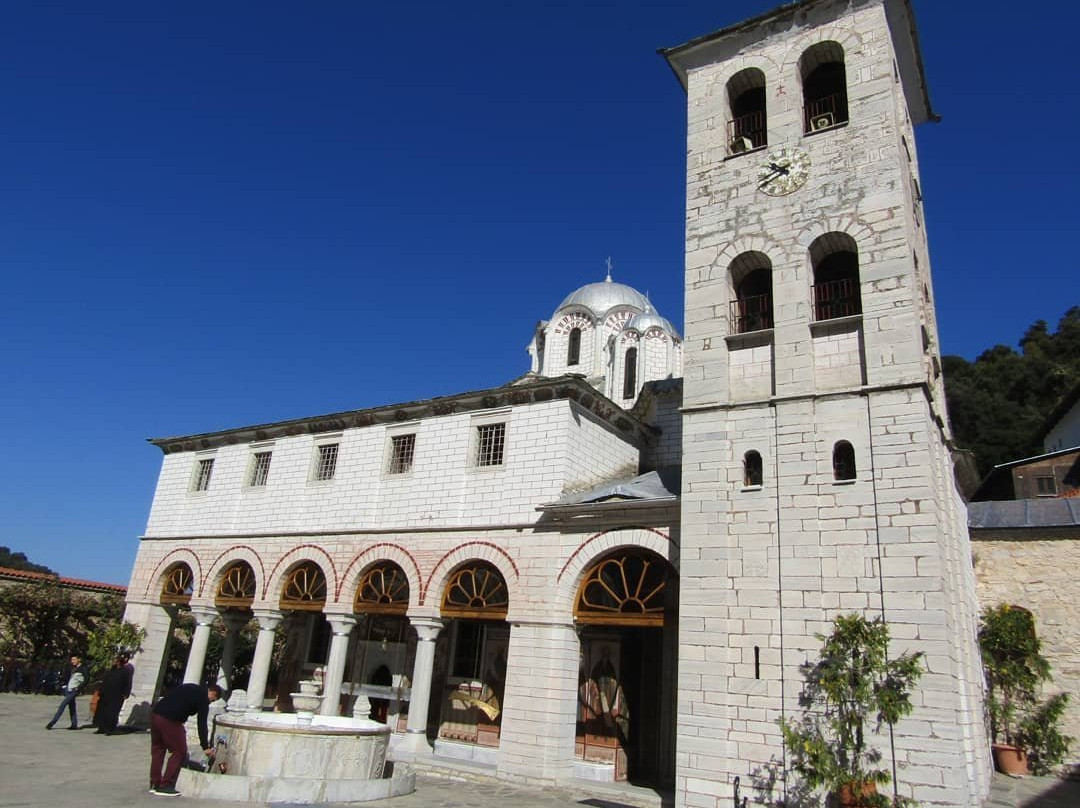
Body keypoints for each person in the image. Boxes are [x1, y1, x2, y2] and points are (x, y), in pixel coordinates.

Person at [149, 682, 220, 797]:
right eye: (213, 700)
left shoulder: (189, 686)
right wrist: (205, 747)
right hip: (171, 720)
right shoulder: (203, 698)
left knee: (158, 749)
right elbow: (202, 723)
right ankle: (165, 785)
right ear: (213, 693)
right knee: (179, 751)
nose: (210, 702)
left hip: (156, 714)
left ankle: (154, 783)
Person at [94, 655, 134, 735]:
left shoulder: (125, 671)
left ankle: (110, 729)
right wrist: (101, 691)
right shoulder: (111, 670)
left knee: (112, 712)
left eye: (115, 660)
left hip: (116, 695)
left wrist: (126, 693)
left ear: (119, 661)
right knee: (102, 711)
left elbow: (128, 683)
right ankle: (101, 727)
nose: (113, 662)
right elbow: (105, 680)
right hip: (106, 694)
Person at [45, 655, 87, 730]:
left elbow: (86, 680)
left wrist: (79, 688)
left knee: (63, 705)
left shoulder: (83, 669)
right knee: (72, 707)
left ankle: (52, 722)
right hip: (68, 689)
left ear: (79, 659)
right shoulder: (72, 668)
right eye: (72, 660)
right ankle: (74, 724)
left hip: (74, 690)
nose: (72, 661)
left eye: (74, 659)